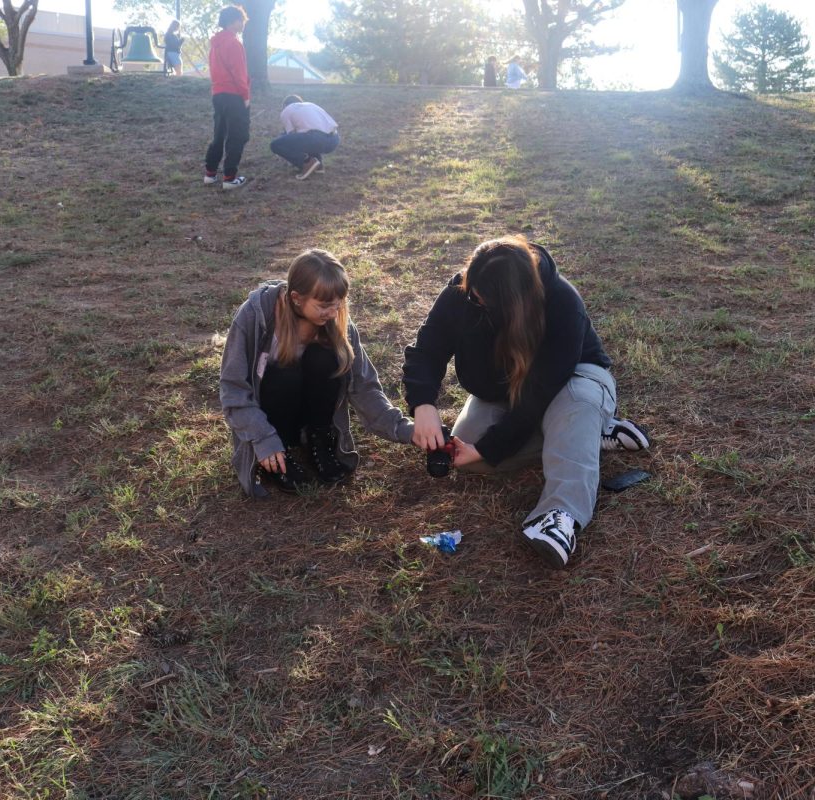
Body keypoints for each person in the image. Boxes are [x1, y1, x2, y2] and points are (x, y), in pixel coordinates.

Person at [403, 237, 651, 569]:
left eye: (483, 301)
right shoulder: (464, 292)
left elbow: (540, 393)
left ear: (514, 302)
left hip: (572, 380)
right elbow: (426, 350)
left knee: (572, 410)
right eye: (472, 292)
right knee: (471, 455)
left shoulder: (562, 302)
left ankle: (558, 515)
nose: (473, 300)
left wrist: (495, 445)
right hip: (505, 393)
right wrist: (423, 405)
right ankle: (584, 437)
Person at [220, 249, 415, 497]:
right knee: (284, 371)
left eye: (338, 304)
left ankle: (319, 440)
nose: (333, 313)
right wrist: (262, 439)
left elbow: (364, 387)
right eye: (324, 306)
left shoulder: (336, 319)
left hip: (312, 410)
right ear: (296, 298)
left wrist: (406, 430)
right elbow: (232, 389)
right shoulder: (254, 315)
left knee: (326, 357)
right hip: (270, 415)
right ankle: (280, 451)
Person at [204, 6, 250, 190]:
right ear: (234, 21)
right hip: (234, 95)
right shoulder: (234, 43)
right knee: (238, 135)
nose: (244, 23)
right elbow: (239, 73)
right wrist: (245, 96)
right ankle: (230, 178)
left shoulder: (215, 45)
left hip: (218, 94)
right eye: (242, 20)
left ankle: (210, 173)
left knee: (219, 134)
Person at [270, 95, 339, 181]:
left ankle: (306, 162)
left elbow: (291, 136)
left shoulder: (286, 111)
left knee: (276, 144)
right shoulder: (311, 105)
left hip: (316, 139)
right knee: (307, 133)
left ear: (284, 105)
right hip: (334, 139)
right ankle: (318, 165)